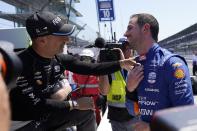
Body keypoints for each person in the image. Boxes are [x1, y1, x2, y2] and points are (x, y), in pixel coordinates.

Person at [9, 11, 137, 131]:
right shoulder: (16, 65)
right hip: (23, 124)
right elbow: (36, 107)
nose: (67, 40)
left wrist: (121, 63)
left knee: (86, 112)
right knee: (80, 108)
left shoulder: (58, 58)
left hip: (45, 117)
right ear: (43, 40)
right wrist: (74, 104)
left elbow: (92, 68)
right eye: (61, 36)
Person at [124, 13, 194, 130]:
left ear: (145, 28)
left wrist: (152, 127)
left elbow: (187, 117)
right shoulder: (135, 65)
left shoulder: (172, 64)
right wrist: (130, 90)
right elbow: (133, 111)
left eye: (130, 28)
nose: (125, 33)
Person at [99, 38, 140, 131]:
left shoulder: (137, 64)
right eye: (121, 48)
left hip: (134, 116)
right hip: (116, 118)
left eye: (127, 48)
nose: (125, 51)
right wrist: (102, 67)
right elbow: (104, 92)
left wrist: (123, 61)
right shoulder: (110, 68)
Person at [70, 49, 101, 125]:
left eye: (88, 59)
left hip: (95, 100)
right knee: (83, 121)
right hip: (82, 100)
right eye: (84, 58)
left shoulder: (97, 72)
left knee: (97, 119)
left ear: (92, 60)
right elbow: (74, 86)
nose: (86, 61)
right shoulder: (76, 72)